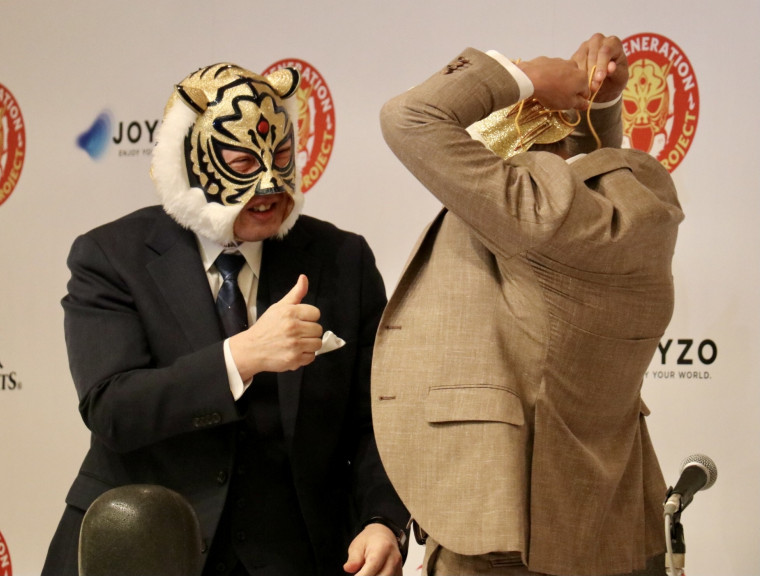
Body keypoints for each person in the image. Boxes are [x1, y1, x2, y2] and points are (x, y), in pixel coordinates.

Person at [42, 61, 409, 576]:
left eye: (282, 157)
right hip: (147, 551)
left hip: (297, 556)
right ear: (190, 165)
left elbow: (378, 420)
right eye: (242, 162)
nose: (269, 185)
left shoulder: (342, 260)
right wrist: (241, 357)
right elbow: (113, 409)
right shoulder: (111, 255)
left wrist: (381, 519)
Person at [371, 34, 683, 576]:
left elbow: (410, 117)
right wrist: (599, 103)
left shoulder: (536, 218)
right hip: (599, 524)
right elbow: (588, 170)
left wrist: (526, 77)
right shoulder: (629, 218)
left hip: (505, 530)